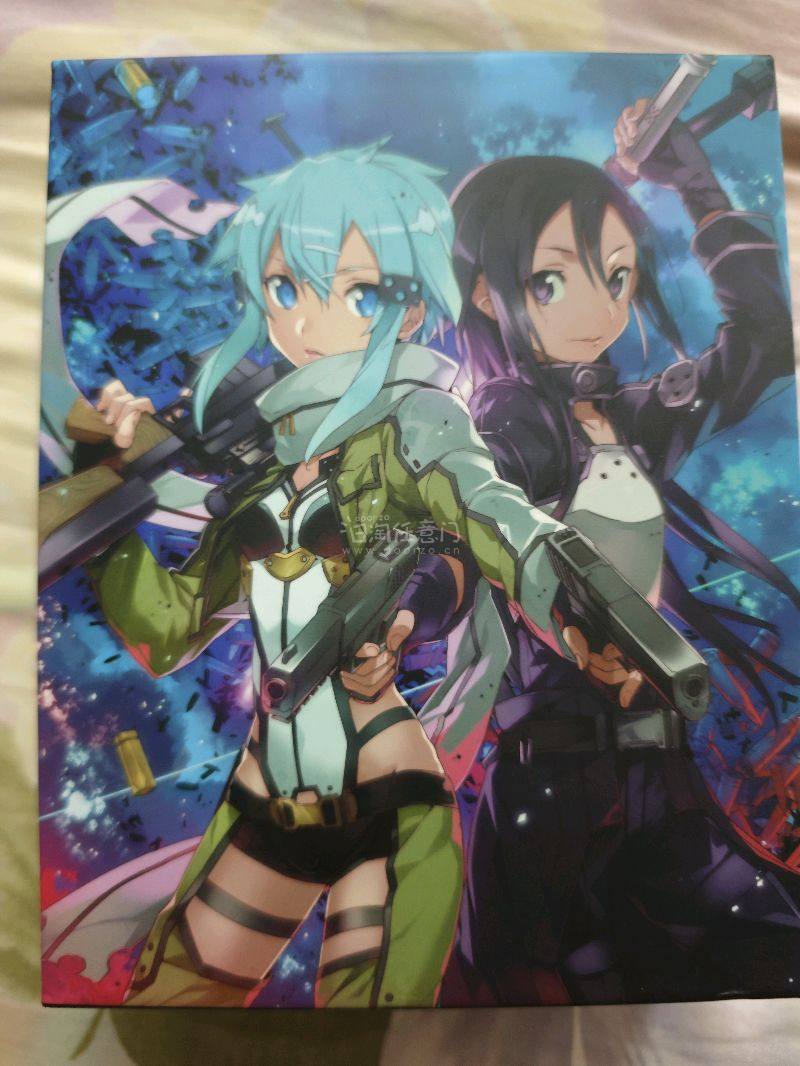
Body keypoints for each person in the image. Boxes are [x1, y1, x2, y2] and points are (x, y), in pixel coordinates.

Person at [78, 142, 582, 1007]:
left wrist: (559, 596)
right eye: (285, 289)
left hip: (383, 802)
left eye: (355, 293)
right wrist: (107, 492)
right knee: (173, 1016)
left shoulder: (419, 427)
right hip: (268, 801)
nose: (309, 322)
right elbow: (164, 629)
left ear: (412, 308)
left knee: (368, 1039)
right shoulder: (262, 477)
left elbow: (482, 518)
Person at [439, 100, 800, 1005]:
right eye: (552, 280)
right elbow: (478, 525)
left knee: (766, 943)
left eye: (617, 275)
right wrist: (567, 627)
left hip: (657, 769)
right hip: (553, 783)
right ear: (485, 291)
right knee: (545, 1000)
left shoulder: (630, 416)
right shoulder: (502, 429)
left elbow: (765, 338)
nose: (600, 307)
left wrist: (697, 186)